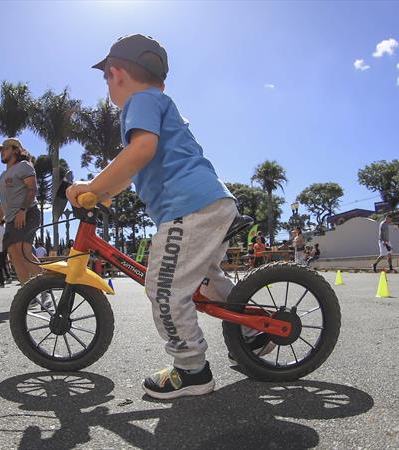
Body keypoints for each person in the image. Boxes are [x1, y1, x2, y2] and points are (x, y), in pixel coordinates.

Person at [67, 34, 264, 399]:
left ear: (117, 73)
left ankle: (192, 370)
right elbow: (134, 170)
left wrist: (92, 183)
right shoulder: (157, 100)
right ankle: (256, 332)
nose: (108, 85)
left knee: (163, 289)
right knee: (205, 279)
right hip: (209, 203)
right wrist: (104, 191)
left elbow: (142, 150)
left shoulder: (139, 102)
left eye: (106, 77)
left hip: (187, 209)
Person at [0, 138, 43, 284]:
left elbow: (32, 189)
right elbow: (3, 203)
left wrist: (22, 210)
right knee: (14, 256)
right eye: (1, 150)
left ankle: (46, 290)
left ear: (15, 150)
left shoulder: (24, 166)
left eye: (5, 149)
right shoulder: (2, 177)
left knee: (24, 253)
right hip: (11, 219)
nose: (2, 153)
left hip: (27, 213)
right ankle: (28, 293)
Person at [0, 220, 10, 288]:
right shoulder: (5, 229)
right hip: (4, 248)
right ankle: (8, 276)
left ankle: (1, 282)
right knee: (3, 264)